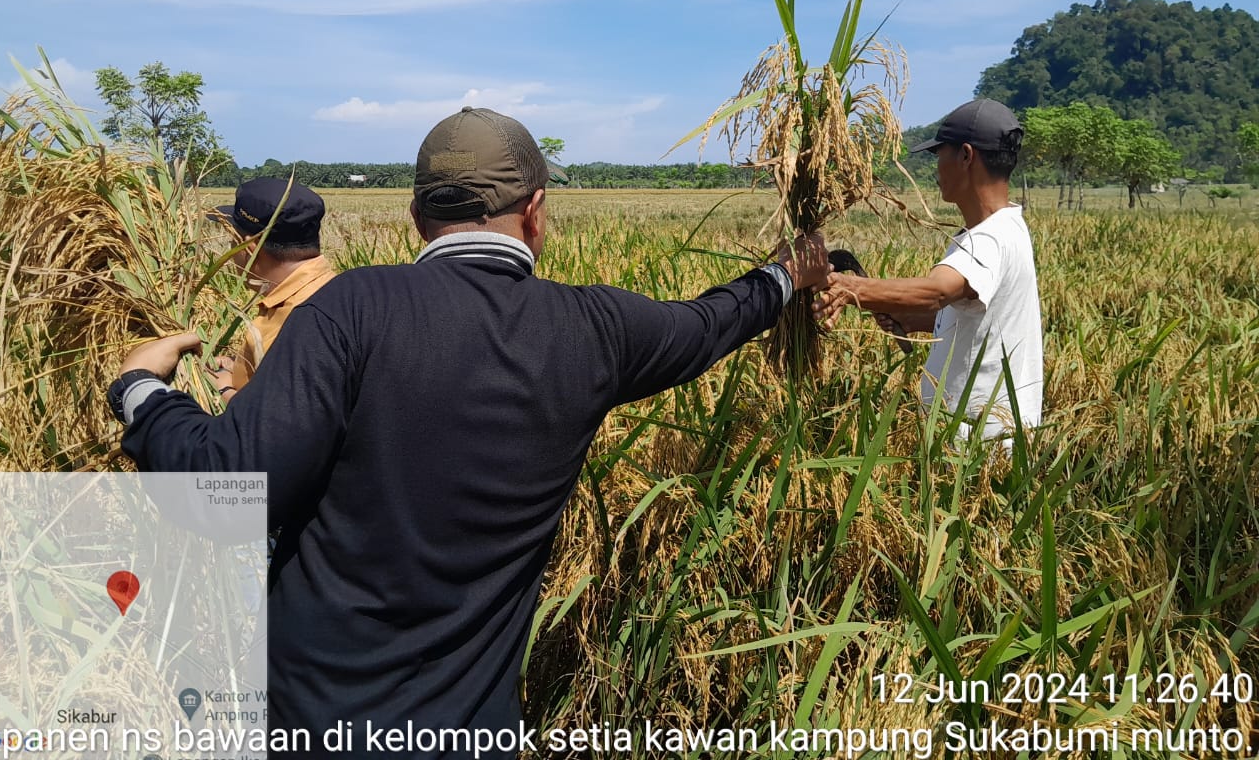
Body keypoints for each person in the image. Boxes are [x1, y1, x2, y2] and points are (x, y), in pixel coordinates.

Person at [105, 106, 828, 759]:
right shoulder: (597, 330)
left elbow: (225, 490)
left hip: (317, 722)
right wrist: (786, 276)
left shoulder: (350, 310)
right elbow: (708, 323)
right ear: (535, 212)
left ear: (417, 217)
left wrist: (143, 391)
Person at [816, 98, 1043, 449]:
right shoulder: (1006, 226)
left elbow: (937, 291)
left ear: (965, 156)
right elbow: (976, 318)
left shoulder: (990, 239)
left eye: (940, 155)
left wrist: (848, 287)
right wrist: (914, 319)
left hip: (981, 443)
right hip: (975, 435)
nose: (937, 169)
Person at [207, 177, 337, 401]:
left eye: (232, 241)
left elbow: (280, 417)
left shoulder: (293, 324)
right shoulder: (333, 290)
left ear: (249, 248)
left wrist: (224, 389)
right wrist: (236, 368)